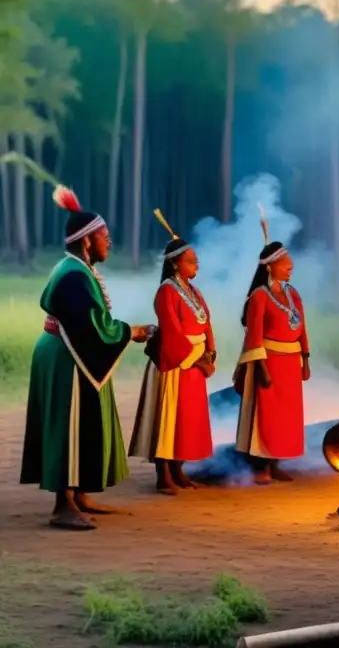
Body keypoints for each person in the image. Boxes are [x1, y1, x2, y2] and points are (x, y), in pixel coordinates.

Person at [20, 185, 154, 530]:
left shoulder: (78, 270)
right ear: (87, 241)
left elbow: (92, 323)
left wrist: (124, 331)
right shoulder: (73, 275)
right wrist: (131, 332)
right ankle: (62, 506)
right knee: (68, 425)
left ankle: (77, 495)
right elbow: (92, 326)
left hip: (70, 352)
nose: (109, 242)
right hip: (66, 356)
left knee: (81, 423)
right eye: (104, 237)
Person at [128, 210, 216, 494]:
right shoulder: (167, 292)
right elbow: (172, 332)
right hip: (173, 364)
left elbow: (206, 322)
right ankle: (163, 475)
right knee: (168, 419)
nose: (196, 266)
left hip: (194, 364)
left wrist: (210, 352)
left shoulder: (194, 291)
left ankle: (179, 470)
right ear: (176, 263)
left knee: (186, 421)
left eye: (197, 262)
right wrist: (197, 361)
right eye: (192, 262)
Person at [233, 211, 310, 485]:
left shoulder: (293, 294)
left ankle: (276, 463)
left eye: (289, 259)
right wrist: (262, 368)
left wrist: (305, 359)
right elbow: (254, 335)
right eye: (283, 261)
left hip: (290, 364)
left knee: (286, 416)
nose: (290, 264)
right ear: (270, 267)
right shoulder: (259, 296)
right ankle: (261, 466)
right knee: (266, 414)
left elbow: (302, 327)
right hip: (269, 362)